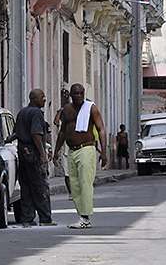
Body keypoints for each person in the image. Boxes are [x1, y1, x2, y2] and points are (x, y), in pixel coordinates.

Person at [53, 83, 107, 229]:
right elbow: (63, 131)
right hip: (72, 150)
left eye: (81, 93)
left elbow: (101, 129)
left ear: (84, 94)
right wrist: (56, 151)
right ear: (71, 94)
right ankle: (81, 216)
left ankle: (85, 218)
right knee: (75, 185)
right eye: (75, 93)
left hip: (86, 148)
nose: (78, 96)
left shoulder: (91, 108)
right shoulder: (67, 110)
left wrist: (104, 152)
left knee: (85, 183)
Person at [15, 89, 56, 227]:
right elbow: (36, 134)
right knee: (40, 186)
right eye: (42, 97)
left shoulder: (22, 112)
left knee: (25, 186)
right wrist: (43, 155)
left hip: (22, 152)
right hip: (32, 153)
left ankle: (27, 218)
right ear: (33, 99)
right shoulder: (36, 113)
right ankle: (45, 218)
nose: (44, 99)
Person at [54, 106, 73, 200]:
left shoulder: (73, 122)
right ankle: (70, 193)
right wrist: (60, 110)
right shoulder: (62, 123)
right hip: (65, 151)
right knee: (67, 174)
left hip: (75, 149)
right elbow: (55, 122)